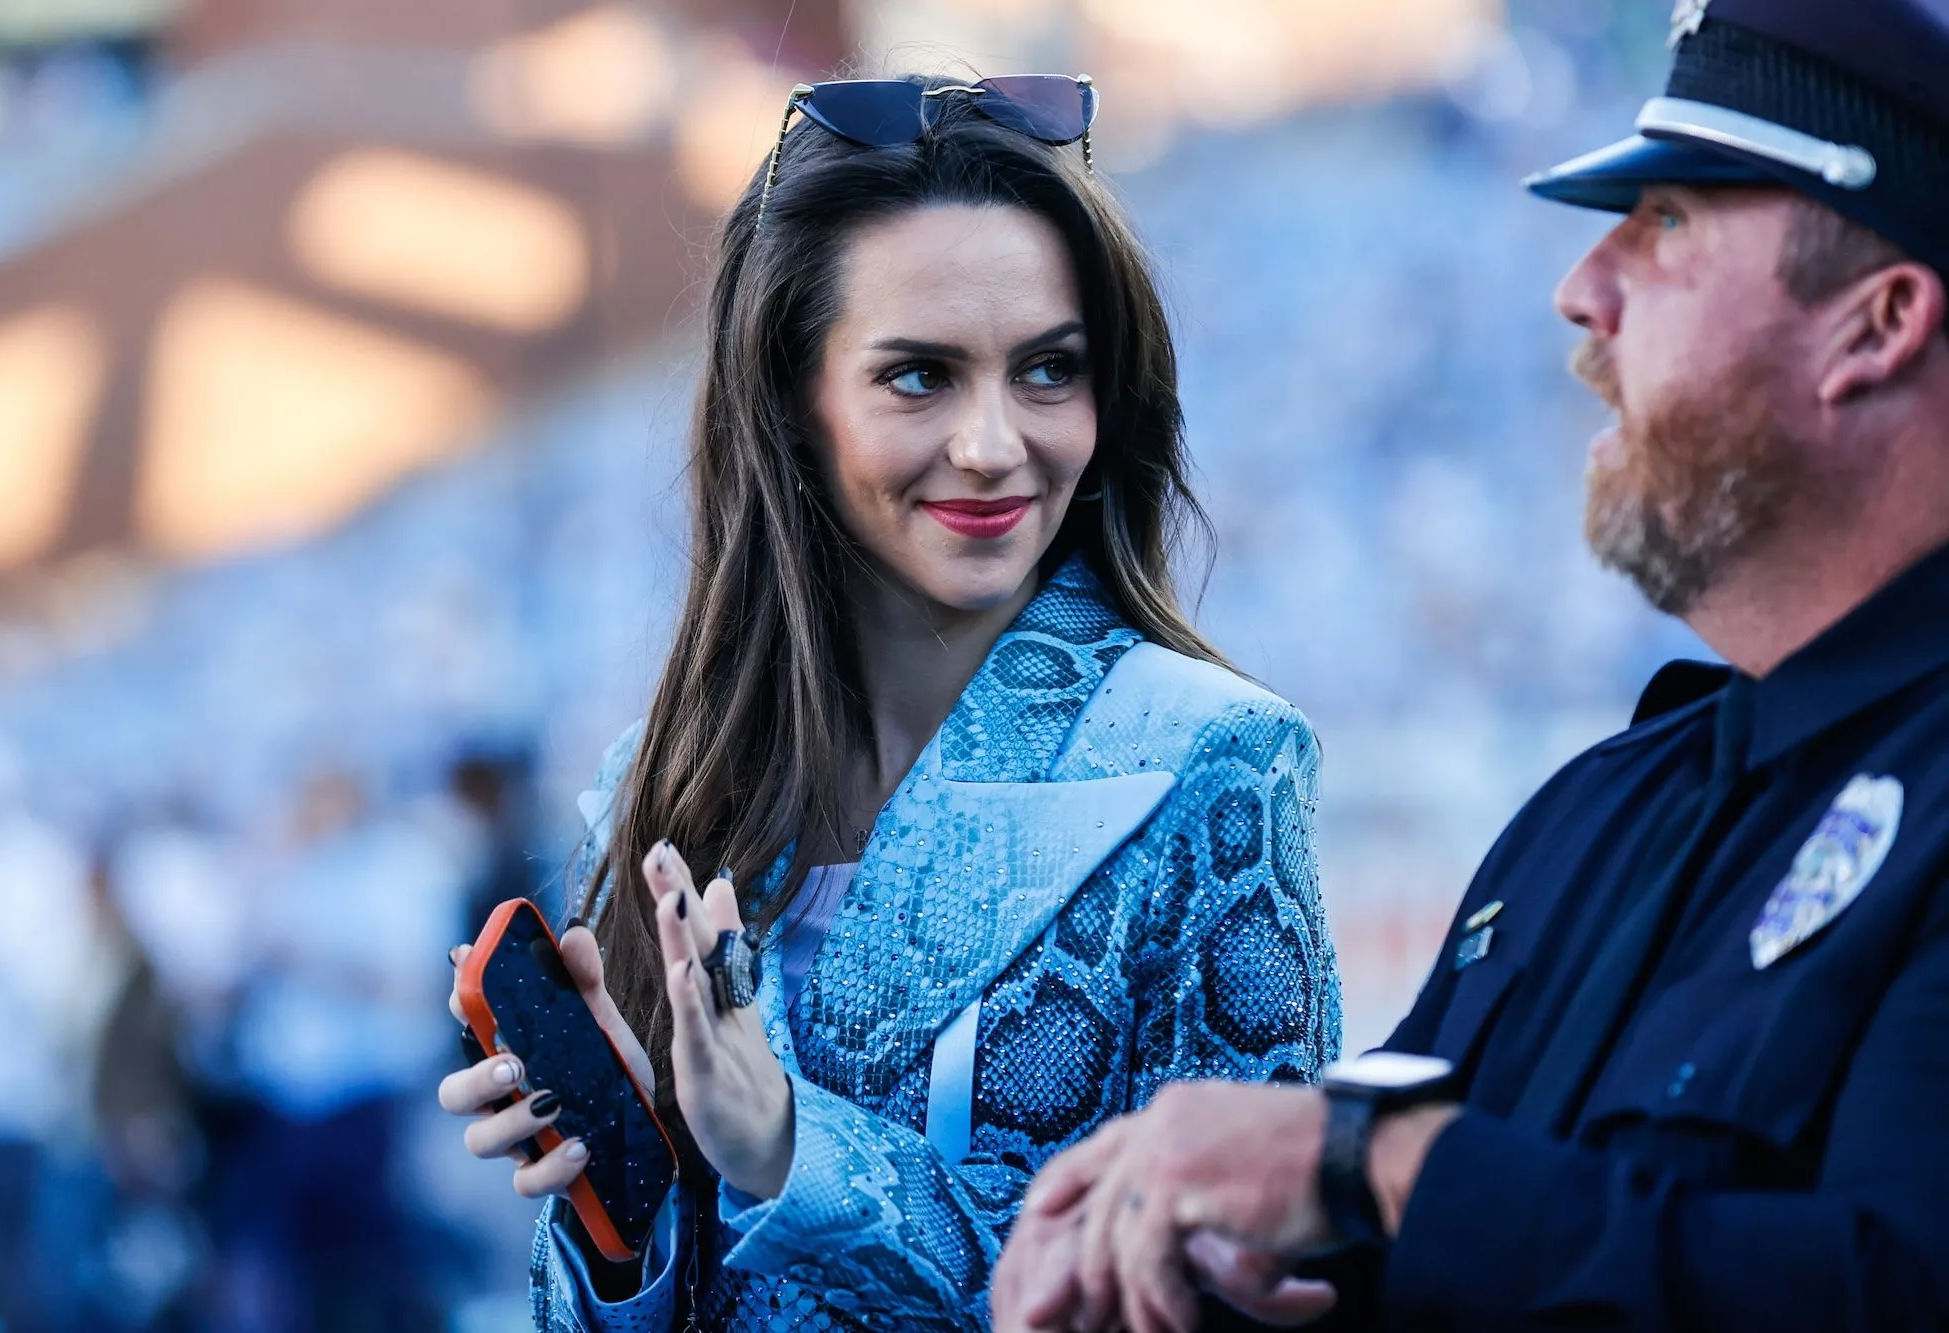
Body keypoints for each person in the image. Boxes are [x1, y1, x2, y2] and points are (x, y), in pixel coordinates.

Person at [991, 1, 1949, 1329]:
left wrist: (1378, 1168)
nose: (1584, 288)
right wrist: (1191, 1247)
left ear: (1877, 323)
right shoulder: (1598, 812)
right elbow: (1404, 1241)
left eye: (1667, 220)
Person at [437, 75, 1344, 1331]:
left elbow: (1245, 1296)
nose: (990, 443)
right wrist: (626, 1200)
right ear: (791, 407)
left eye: (1047, 370)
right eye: (918, 378)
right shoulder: (667, 785)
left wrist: (789, 1150)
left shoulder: (1206, 765)